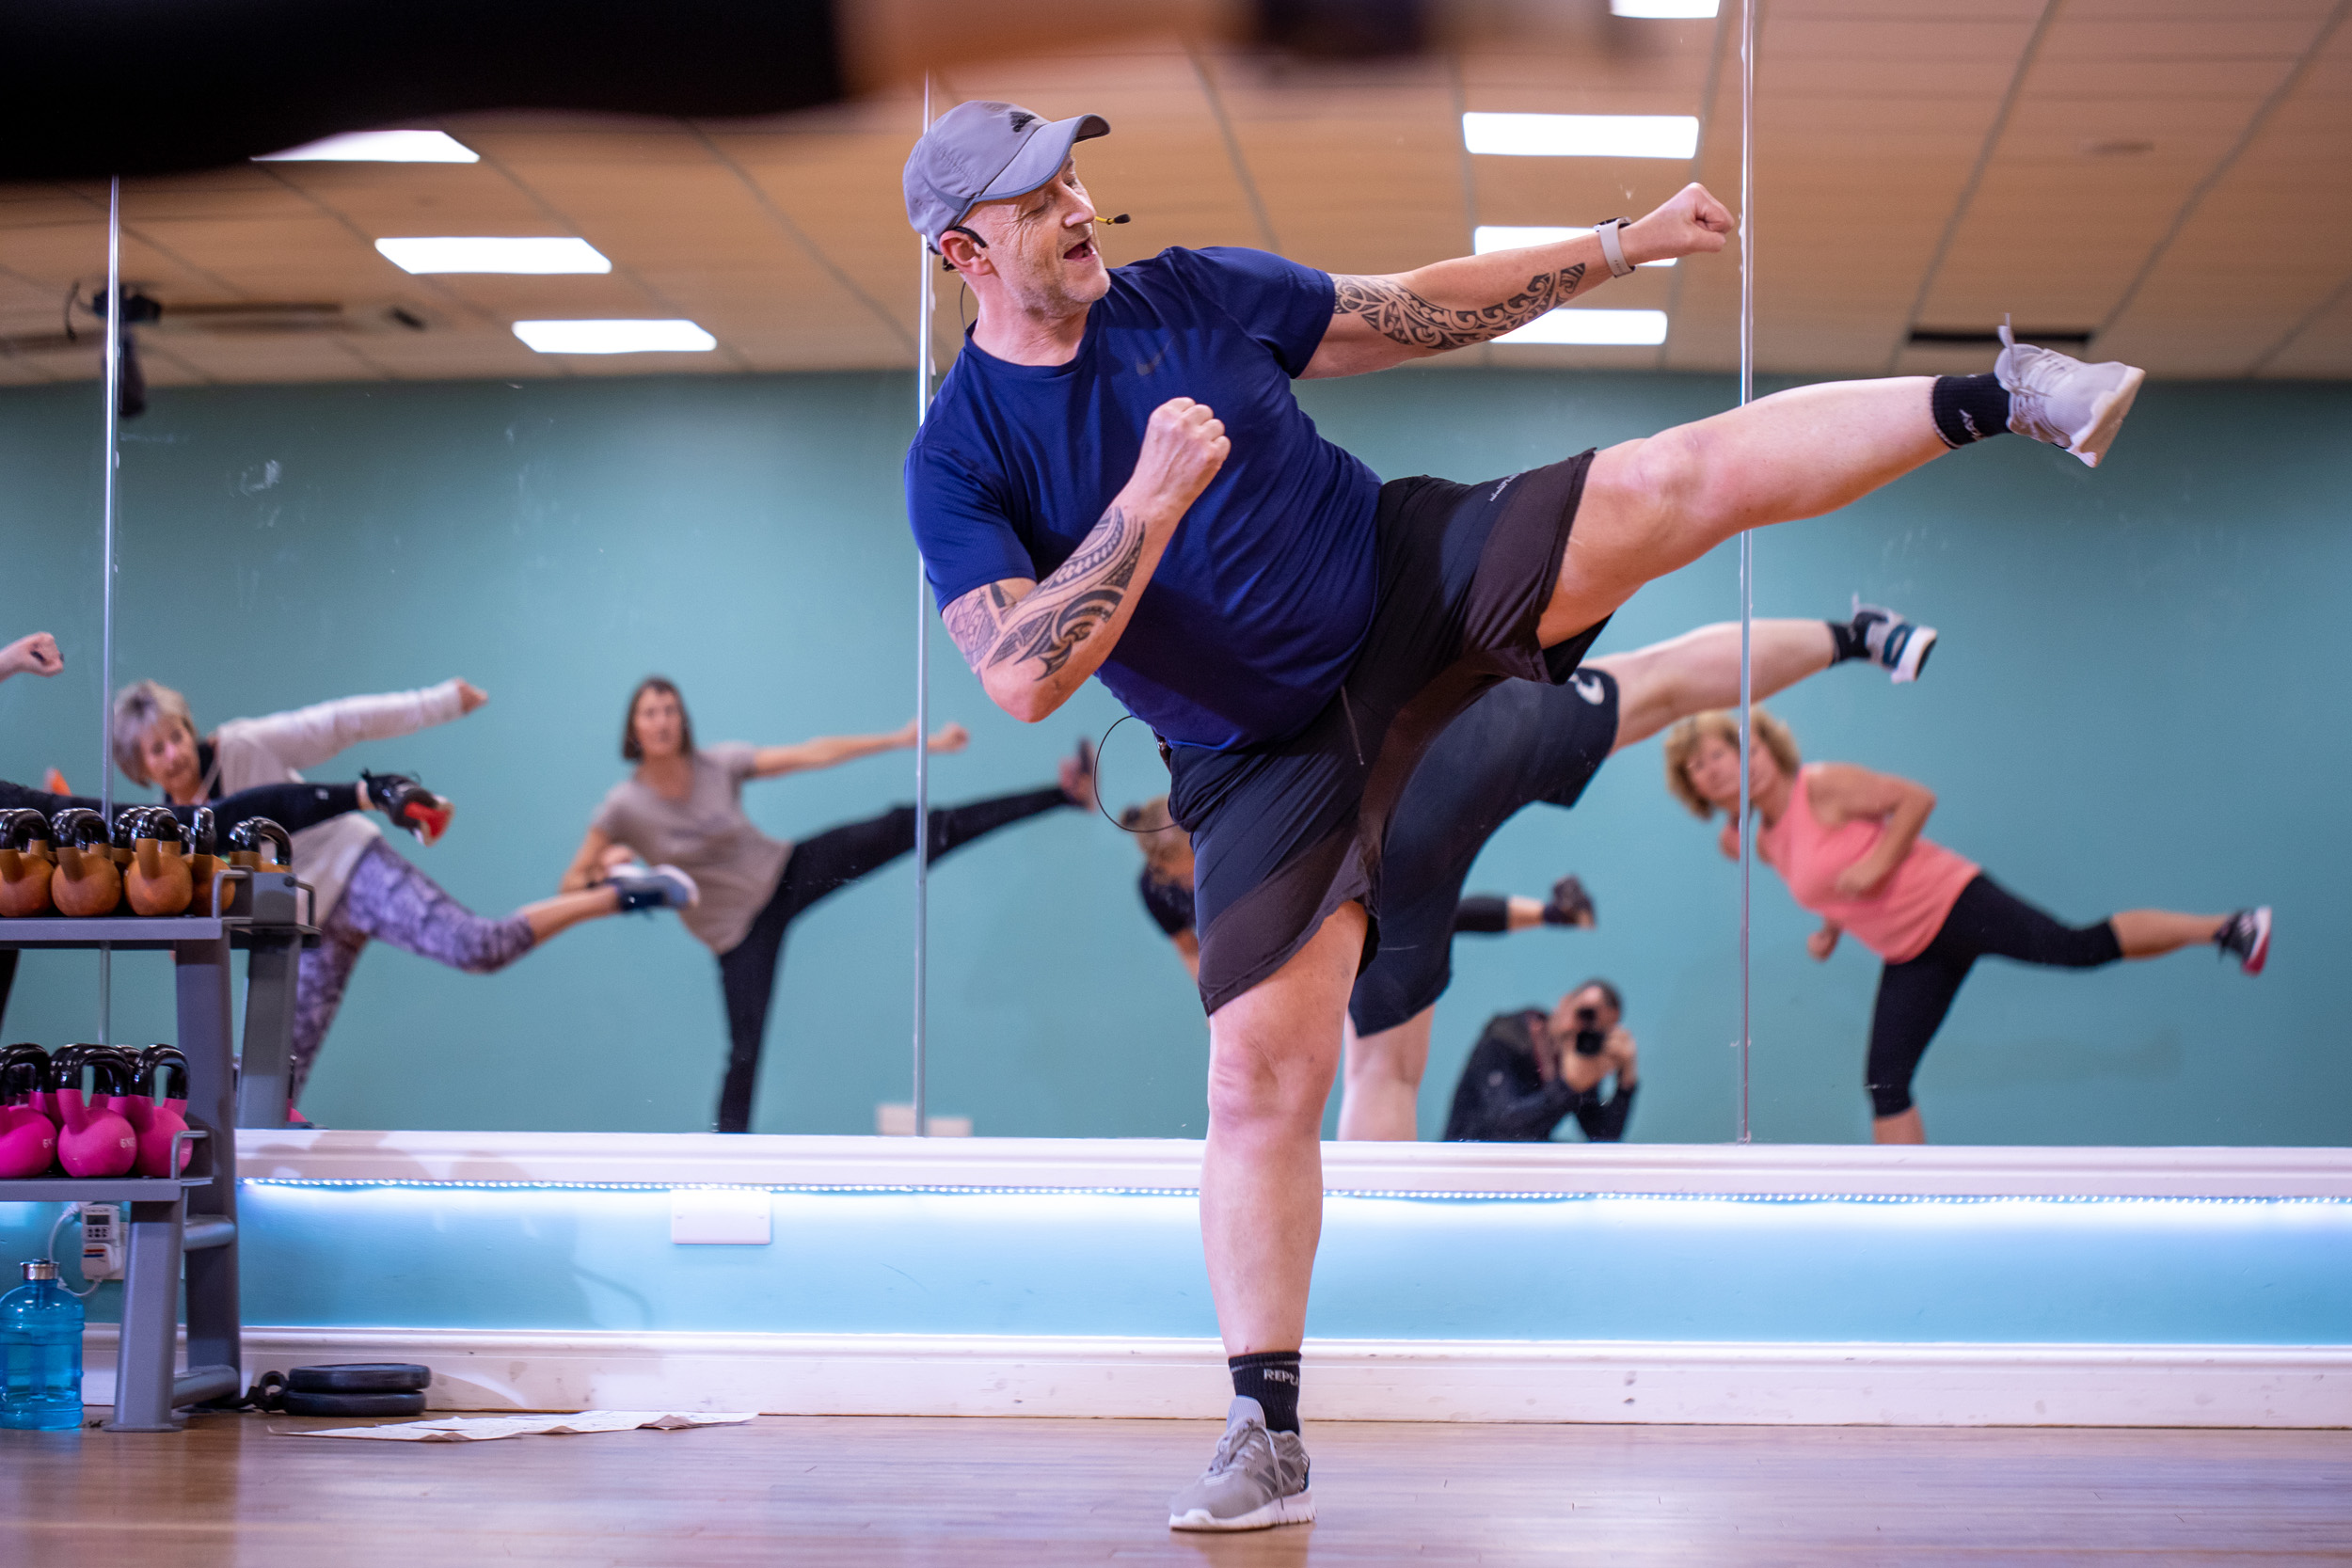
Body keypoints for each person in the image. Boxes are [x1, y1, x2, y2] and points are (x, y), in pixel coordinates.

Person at [898, 98, 2147, 1531]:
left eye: (1073, 175)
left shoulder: (1187, 292)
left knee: (1672, 479)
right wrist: (1152, 498)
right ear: (961, 249)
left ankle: (2013, 394)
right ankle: (1267, 1425)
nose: (1074, 205)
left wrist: (1620, 245)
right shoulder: (960, 454)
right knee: (1254, 1080)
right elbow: (1017, 675)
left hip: (1402, 578)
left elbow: (1413, 311)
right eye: (1035, 195)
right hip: (1255, 760)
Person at [1341, 600, 1934, 1140]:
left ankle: (1367, 1251)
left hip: (1353, 768)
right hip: (1455, 731)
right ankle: (1862, 637)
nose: (1586, 1019)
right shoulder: (1512, 1033)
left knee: (1380, 1075)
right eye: (1587, 1008)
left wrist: (1618, 1079)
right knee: (1661, 679)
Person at [1664, 706, 2271, 1143]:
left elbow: (1916, 799)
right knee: (1885, 1084)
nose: (1714, 769)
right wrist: (1831, 927)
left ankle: (2229, 928)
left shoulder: (1821, 785)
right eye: (1699, 766)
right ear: (1692, 786)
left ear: (1759, 749)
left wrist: (1876, 864)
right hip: (1910, 950)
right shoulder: (1757, 841)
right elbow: (1827, 878)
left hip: (1954, 901)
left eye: (1721, 752)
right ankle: (1912, 1215)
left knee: (2077, 947)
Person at [111, 677, 682, 1107]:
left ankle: (617, 893)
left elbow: (341, 722)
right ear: (141, 768)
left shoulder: (242, 747)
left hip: (353, 869)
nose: (175, 753)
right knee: (269, 1081)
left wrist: (440, 702)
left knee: (480, 947)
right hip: (302, 928)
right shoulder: (170, 836)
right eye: (157, 750)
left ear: (191, 729)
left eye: (177, 736)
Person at [560, 677, 1098, 1132]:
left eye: (670, 709)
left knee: (904, 824)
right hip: (737, 934)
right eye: (650, 713)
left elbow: (811, 752)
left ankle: (1066, 797)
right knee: (744, 1052)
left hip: (783, 873)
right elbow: (571, 887)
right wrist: (607, 867)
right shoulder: (623, 807)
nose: (662, 721)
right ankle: (724, 1172)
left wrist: (906, 741)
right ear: (634, 729)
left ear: (683, 720)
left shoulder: (717, 765)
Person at [1120, 796, 1593, 986]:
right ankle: (1554, 914)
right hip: (1279, 953)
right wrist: (1213, 994)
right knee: (1426, 925)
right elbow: (1190, 949)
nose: (1196, 876)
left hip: (1326, 906)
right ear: (1163, 873)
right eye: (1186, 873)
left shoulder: (1235, 850)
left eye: (1199, 861)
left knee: (1425, 923)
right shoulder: (1157, 892)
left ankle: (1553, 914)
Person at [1442, 978, 1636, 1144]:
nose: (1587, 1029)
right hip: (1469, 1161)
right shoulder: (1507, 1036)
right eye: (1586, 1014)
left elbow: (1602, 1136)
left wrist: (1626, 1079)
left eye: (1602, 1029)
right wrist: (1568, 1086)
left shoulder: (1579, 1056)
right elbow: (1503, 1126)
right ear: (1565, 1002)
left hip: (1523, 1169)